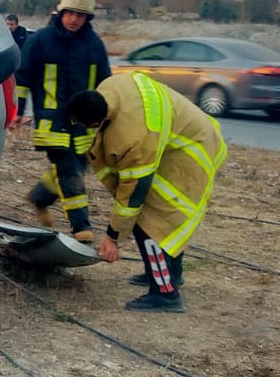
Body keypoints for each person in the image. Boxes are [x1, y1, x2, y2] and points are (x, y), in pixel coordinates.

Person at [66, 71, 227, 312]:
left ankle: (165, 293)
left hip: (191, 152)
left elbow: (133, 196)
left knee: (151, 222)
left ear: (96, 124)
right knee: (164, 219)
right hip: (184, 135)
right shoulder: (112, 85)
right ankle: (169, 273)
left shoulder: (133, 137)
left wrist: (113, 238)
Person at [16, 0, 111, 243]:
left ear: (88, 18)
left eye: (80, 15)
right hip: (52, 122)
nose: (74, 19)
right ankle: (81, 228)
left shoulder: (95, 46)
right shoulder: (40, 41)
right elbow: (21, 78)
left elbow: (106, 85)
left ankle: (39, 197)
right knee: (69, 171)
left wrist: (106, 118)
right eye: (70, 13)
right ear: (61, 12)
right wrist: (17, 110)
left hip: (84, 126)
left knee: (76, 168)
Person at [4, 12, 30, 119]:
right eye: (7, 24)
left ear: (17, 24)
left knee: (19, 90)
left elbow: (26, 50)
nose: (9, 27)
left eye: (11, 24)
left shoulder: (23, 34)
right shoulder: (4, 34)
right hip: (8, 66)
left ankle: (18, 111)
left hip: (20, 66)